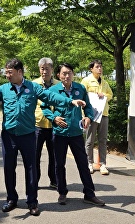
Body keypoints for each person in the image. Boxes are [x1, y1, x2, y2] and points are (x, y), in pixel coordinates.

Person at [0, 58, 86, 216]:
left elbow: (51, 97)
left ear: (20, 72)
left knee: (31, 168)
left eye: (10, 72)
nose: (7, 75)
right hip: (9, 136)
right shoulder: (4, 88)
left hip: (28, 135)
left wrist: (70, 102)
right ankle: (11, 199)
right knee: (9, 168)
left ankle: (32, 201)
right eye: (6, 72)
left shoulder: (33, 87)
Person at [42, 63, 105, 207]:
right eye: (64, 73)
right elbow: (44, 107)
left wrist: (88, 117)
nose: (67, 76)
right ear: (58, 75)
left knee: (83, 163)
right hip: (59, 133)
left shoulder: (80, 88)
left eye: (69, 73)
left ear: (73, 74)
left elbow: (88, 106)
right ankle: (62, 192)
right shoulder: (53, 90)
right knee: (59, 164)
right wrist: (53, 118)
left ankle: (89, 194)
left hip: (76, 133)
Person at [81, 59, 113, 175]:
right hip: (91, 115)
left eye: (100, 67)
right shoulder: (86, 81)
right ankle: (89, 163)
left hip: (103, 114)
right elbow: (81, 95)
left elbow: (110, 94)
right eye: (97, 67)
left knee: (103, 140)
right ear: (91, 69)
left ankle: (103, 164)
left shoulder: (104, 83)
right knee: (90, 140)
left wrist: (103, 95)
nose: (99, 69)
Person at [33, 57, 58, 189]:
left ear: (52, 70)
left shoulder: (58, 85)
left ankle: (54, 180)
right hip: (38, 125)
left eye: (47, 69)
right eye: (42, 69)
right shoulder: (33, 84)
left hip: (54, 126)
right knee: (35, 155)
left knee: (54, 155)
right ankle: (35, 181)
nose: (44, 71)